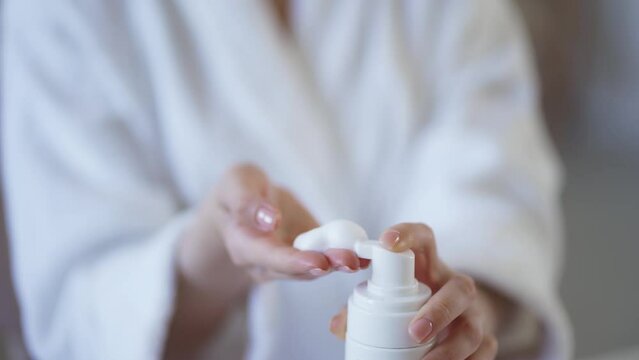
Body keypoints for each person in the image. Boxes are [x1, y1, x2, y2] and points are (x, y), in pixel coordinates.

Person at [2, 0, 572, 359]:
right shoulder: (58, 13)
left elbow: (492, 184)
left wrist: (456, 310)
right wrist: (213, 256)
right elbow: (79, 320)